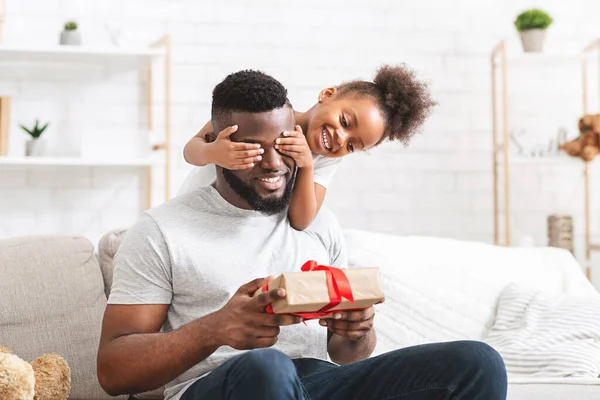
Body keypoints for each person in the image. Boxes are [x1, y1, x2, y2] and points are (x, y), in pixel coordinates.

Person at [97, 70, 508, 400]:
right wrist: (216, 329)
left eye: (284, 145)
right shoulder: (160, 230)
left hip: (319, 383)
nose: (275, 164)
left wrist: (356, 331)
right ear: (224, 144)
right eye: (255, 149)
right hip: (223, 384)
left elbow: (346, 357)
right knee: (266, 367)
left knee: (478, 361)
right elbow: (113, 370)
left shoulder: (319, 224)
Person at [179, 65, 436, 231]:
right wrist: (213, 153)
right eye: (345, 122)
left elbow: (301, 220)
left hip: (236, 224)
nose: (340, 139)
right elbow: (191, 150)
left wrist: (306, 164)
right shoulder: (267, 115)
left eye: (352, 145)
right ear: (327, 95)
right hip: (197, 207)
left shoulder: (324, 161)